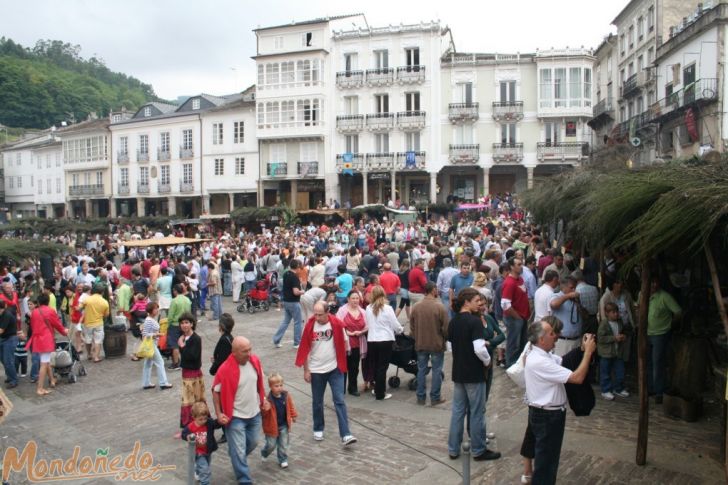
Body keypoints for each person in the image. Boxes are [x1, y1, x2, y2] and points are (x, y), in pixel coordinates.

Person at [524, 320, 596, 485]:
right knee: (546, 464)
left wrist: (582, 349)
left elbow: (563, 361)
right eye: (551, 333)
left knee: (549, 460)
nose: (555, 336)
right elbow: (577, 378)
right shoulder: (539, 361)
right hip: (547, 416)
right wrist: (588, 354)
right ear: (541, 340)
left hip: (549, 414)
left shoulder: (545, 355)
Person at [447, 288, 500, 461]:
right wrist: (486, 361)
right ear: (467, 302)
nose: (479, 304)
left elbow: (449, 346)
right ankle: (478, 449)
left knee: (458, 411)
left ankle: (453, 449)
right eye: (476, 300)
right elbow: (479, 348)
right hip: (474, 373)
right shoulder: (474, 322)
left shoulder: (453, 322)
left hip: (459, 371)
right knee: (477, 412)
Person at [295, 301, 357, 445]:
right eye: (315, 314)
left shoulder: (337, 324)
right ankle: (318, 428)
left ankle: (346, 434)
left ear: (327, 312)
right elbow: (304, 350)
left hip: (335, 368)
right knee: (317, 402)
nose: (316, 317)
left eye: (320, 315)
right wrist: (306, 370)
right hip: (316, 370)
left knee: (339, 400)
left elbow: (345, 344)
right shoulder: (309, 326)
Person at [212, 336, 268, 485]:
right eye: (245, 351)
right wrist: (219, 413)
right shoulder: (224, 369)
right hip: (235, 416)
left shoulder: (255, 361)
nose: (249, 353)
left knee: (253, 442)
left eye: (250, 349)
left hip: (254, 413)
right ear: (234, 352)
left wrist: (264, 399)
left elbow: (260, 383)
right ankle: (244, 480)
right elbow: (215, 391)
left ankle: (236, 455)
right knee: (239, 450)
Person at [410, 282, 448, 406]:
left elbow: (412, 327)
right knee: (437, 370)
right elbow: (446, 328)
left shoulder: (416, 306)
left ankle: (420, 397)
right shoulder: (440, 307)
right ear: (433, 290)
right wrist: (445, 339)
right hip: (436, 344)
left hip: (421, 343)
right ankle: (435, 397)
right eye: (436, 289)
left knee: (421, 370)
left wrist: (417, 338)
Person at [645, 277, 681, 404]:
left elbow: (678, 312)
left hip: (660, 334)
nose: (654, 284)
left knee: (657, 363)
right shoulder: (642, 294)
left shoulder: (665, 297)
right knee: (648, 362)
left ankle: (659, 392)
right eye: (652, 281)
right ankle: (650, 388)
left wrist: (670, 325)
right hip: (646, 333)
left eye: (655, 281)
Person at [365, 286, 404, 400]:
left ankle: (377, 388)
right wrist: (400, 330)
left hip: (372, 340)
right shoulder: (387, 308)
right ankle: (380, 393)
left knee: (376, 366)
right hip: (385, 340)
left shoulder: (368, 308)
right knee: (383, 367)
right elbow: (395, 324)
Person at [27, 293, 68, 396]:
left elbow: (32, 325)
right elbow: (57, 324)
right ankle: (40, 388)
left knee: (46, 361)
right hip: (46, 339)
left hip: (37, 338)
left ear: (39, 302)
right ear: (48, 301)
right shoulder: (50, 311)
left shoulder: (34, 312)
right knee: (44, 364)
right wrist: (64, 332)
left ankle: (52, 380)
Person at [261, 372, 298, 469]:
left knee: (283, 444)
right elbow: (263, 414)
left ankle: (283, 459)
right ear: (270, 386)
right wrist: (265, 409)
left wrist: (293, 415)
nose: (279, 388)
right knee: (271, 445)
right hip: (271, 426)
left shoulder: (286, 395)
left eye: (281, 385)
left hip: (284, 425)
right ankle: (265, 452)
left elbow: (290, 406)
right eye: (276, 386)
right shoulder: (268, 399)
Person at [181, 401, 222, 485]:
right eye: (200, 419)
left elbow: (216, 424)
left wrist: (220, 421)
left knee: (206, 464)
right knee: (205, 470)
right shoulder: (191, 426)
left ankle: (198, 471)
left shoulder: (209, 422)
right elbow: (183, 434)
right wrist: (187, 437)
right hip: (198, 453)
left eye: (205, 418)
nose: (203, 421)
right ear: (194, 417)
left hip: (207, 451)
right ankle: (205, 482)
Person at [336, 290, 367, 396]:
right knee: (343, 367)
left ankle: (353, 388)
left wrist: (361, 331)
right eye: (353, 298)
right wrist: (347, 332)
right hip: (345, 343)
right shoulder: (342, 310)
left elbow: (368, 325)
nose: (355, 300)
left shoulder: (363, 311)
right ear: (348, 299)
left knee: (354, 367)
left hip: (358, 343)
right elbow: (337, 325)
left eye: (357, 298)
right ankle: (341, 389)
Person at [597, 302, 630, 400]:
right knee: (605, 372)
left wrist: (623, 336)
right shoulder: (604, 324)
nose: (616, 314)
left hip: (617, 351)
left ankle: (618, 388)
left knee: (620, 371)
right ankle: (606, 390)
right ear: (607, 313)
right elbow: (601, 338)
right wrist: (614, 338)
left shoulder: (619, 322)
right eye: (613, 312)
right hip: (606, 353)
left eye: (617, 312)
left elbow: (622, 331)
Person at [501, 258, 530, 367]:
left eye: (521, 264)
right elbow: (505, 305)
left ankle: (519, 365)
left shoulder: (520, 279)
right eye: (518, 264)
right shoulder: (509, 283)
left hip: (521, 317)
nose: (521, 266)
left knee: (522, 343)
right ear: (512, 267)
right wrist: (517, 317)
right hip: (514, 318)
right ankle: (511, 365)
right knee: (513, 344)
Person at [178, 312, 204, 429]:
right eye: (182, 323)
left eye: (187, 323)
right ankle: (187, 426)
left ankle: (198, 424)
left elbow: (192, 356)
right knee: (186, 400)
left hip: (194, 373)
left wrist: (182, 346)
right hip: (186, 372)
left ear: (192, 324)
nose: (184, 325)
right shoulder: (183, 337)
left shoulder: (196, 339)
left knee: (195, 400)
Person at [141, 302, 173, 391]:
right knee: (160, 362)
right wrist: (156, 334)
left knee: (148, 364)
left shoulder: (150, 319)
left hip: (151, 343)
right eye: (156, 309)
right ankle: (163, 383)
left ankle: (146, 383)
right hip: (151, 344)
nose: (157, 310)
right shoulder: (149, 320)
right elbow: (145, 334)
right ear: (151, 310)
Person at [273, 259, 304, 349]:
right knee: (298, 322)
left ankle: (276, 340)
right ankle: (297, 342)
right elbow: (296, 292)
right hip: (294, 302)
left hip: (286, 301)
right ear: (297, 267)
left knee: (285, 322)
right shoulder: (295, 277)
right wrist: (302, 291)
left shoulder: (286, 274)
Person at [549, 276, 581, 356]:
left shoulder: (575, 299)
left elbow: (585, 315)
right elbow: (553, 304)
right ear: (563, 287)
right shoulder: (556, 296)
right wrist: (568, 296)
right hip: (563, 341)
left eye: (575, 288)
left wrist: (578, 303)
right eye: (571, 288)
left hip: (577, 339)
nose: (574, 290)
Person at [81, 284, 110, 363]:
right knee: (98, 340)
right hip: (99, 323)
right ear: (102, 292)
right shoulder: (104, 302)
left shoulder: (88, 299)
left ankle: (89, 354)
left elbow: (80, 307)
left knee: (88, 339)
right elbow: (106, 314)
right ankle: (96, 357)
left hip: (88, 323)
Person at [167, 284, 192, 371]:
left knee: (175, 345)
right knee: (184, 343)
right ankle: (185, 361)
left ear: (175, 291)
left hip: (175, 324)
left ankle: (176, 363)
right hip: (185, 324)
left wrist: (168, 324)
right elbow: (189, 312)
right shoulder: (187, 300)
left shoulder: (174, 301)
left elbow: (170, 315)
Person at [0, 300, 19, 389]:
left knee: (8, 361)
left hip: (10, 339)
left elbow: (1, 330)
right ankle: (10, 376)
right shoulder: (2, 314)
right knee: (3, 359)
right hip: (3, 339)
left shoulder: (6, 315)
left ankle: (14, 380)